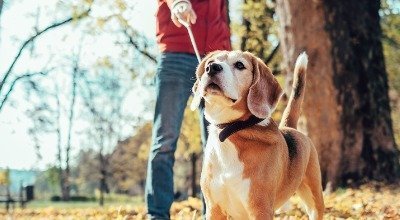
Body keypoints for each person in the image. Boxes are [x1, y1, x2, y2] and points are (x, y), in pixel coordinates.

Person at [145, 0, 231, 219]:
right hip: (177, 53)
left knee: (217, 143)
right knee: (164, 140)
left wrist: (226, 52)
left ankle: (213, 214)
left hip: (216, 58)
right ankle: (158, 215)